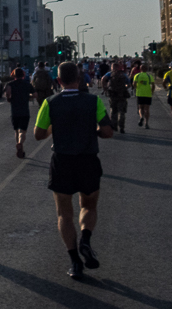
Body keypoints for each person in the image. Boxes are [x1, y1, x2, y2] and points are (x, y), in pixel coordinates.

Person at [34, 61, 114, 279]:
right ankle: (85, 240)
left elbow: (38, 135)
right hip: (88, 160)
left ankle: (75, 262)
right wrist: (93, 130)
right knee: (88, 206)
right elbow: (107, 132)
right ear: (79, 80)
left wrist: (55, 127)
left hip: (62, 161)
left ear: (58, 81)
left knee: (64, 213)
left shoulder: (50, 103)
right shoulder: (93, 100)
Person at [4, 67, 35, 158]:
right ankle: (20, 143)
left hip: (15, 112)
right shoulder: (27, 84)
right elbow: (35, 94)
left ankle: (20, 146)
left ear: (14, 75)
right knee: (23, 131)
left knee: (16, 130)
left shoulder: (10, 84)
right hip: (25, 111)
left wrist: (9, 98)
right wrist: (29, 98)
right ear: (23, 75)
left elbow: (8, 92)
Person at [100, 62, 131, 133]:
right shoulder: (123, 74)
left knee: (113, 111)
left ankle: (114, 126)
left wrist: (105, 88)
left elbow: (103, 79)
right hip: (122, 95)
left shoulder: (110, 74)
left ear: (112, 67)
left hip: (113, 95)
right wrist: (124, 87)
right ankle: (122, 127)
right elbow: (129, 84)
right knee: (122, 112)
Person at [133, 63, 155, 128]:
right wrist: (152, 91)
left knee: (140, 108)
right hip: (148, 94)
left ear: (140, 69)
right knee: (147, 109)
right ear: (146, 69)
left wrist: (136, 88)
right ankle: (146, 123)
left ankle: (141, 117)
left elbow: (134, 84)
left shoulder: (137, 75)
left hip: (140, 94)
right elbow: (153, 85)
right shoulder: (149, 76)